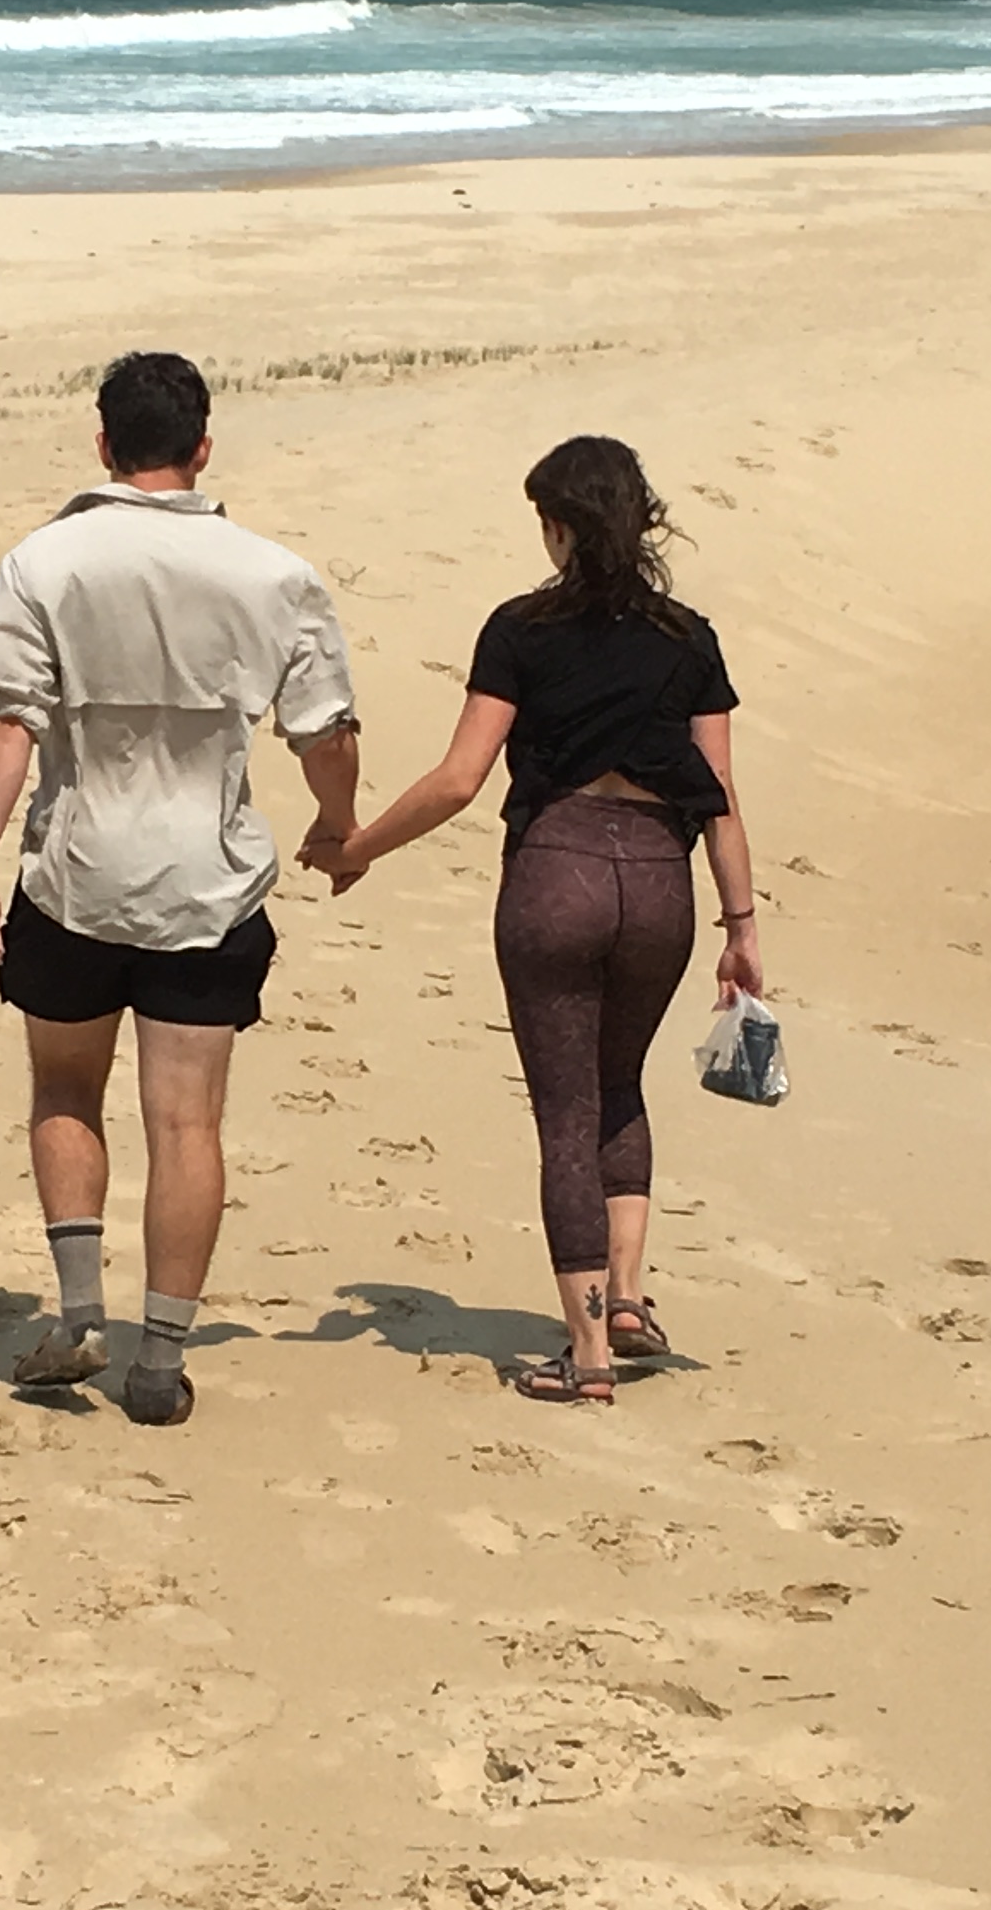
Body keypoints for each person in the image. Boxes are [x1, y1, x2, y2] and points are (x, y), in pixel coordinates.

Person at [0, 351, 361, 1426]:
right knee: (187, 1125)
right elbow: (325, 731)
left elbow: (9, 722)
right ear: (202, 448)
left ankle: (81, 1312)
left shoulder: (45, 561)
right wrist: (338, 825)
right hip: (207, 881)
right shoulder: (271, 572)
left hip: (76, 872)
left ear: (102, 444)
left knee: (64, 1091)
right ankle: (161, 1359)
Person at [323, 434, 761, 1403]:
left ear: (560, 526)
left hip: (558, 870)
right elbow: (721, 794)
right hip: (660, 878)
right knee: (620, 1086)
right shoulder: (689, 638)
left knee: (566, 1113)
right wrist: (741, 925)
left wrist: (359, 849)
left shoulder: (520, 629)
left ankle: (589, 1351)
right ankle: (630, 1297)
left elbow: (459, 780)